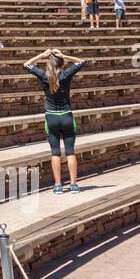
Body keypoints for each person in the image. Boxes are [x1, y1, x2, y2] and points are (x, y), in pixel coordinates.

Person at [24, 48, 85, 193]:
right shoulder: (66, 74)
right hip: (66, 117)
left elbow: (26, 64)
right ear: (61, 64)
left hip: (51, 117)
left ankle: (58, 185)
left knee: (55, 152)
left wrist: (41, 55)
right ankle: (73, 185)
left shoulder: (44, 75)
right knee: (70, 151)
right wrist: (64, 55)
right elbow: (81, 62)